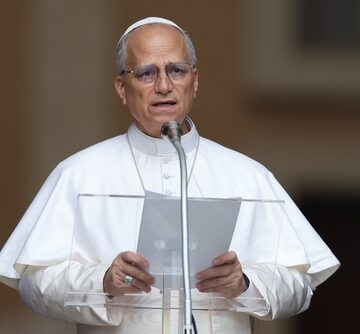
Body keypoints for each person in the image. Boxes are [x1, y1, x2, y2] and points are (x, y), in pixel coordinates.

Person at [0, 17, 339, 334]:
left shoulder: (248, 175)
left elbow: (299, 288)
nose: (164, 85)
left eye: (176, 70)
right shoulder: (78, 174)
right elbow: (33, 284)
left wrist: (244, 283)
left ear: (195, 80)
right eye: (146, 73)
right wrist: (102, 281)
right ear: (121, 87)